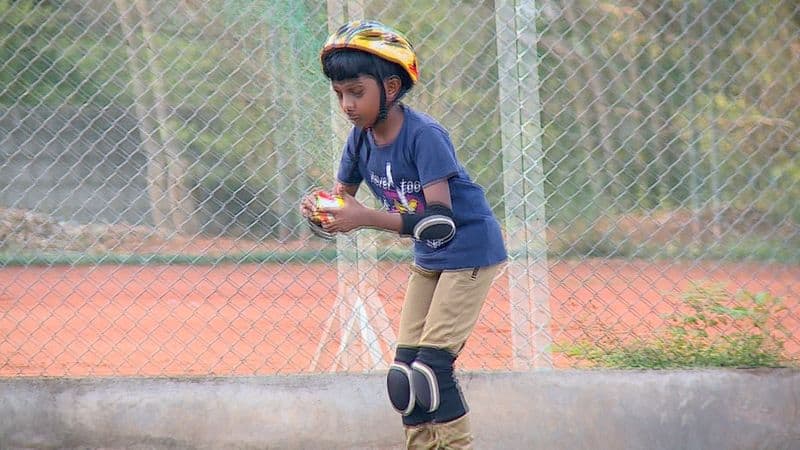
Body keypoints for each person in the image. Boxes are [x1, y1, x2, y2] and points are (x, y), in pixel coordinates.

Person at [301, 20, 507, 450]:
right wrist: (324, 212)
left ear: (391, 87)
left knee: (431, 369)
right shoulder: (359, 140)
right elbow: (345, 203)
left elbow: (439, 221)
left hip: (468, 251)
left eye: (356, 92)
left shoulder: (425, 136)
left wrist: (364, 218)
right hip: (430, 259)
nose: (346, 104)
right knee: (404, 376)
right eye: (339, 94)